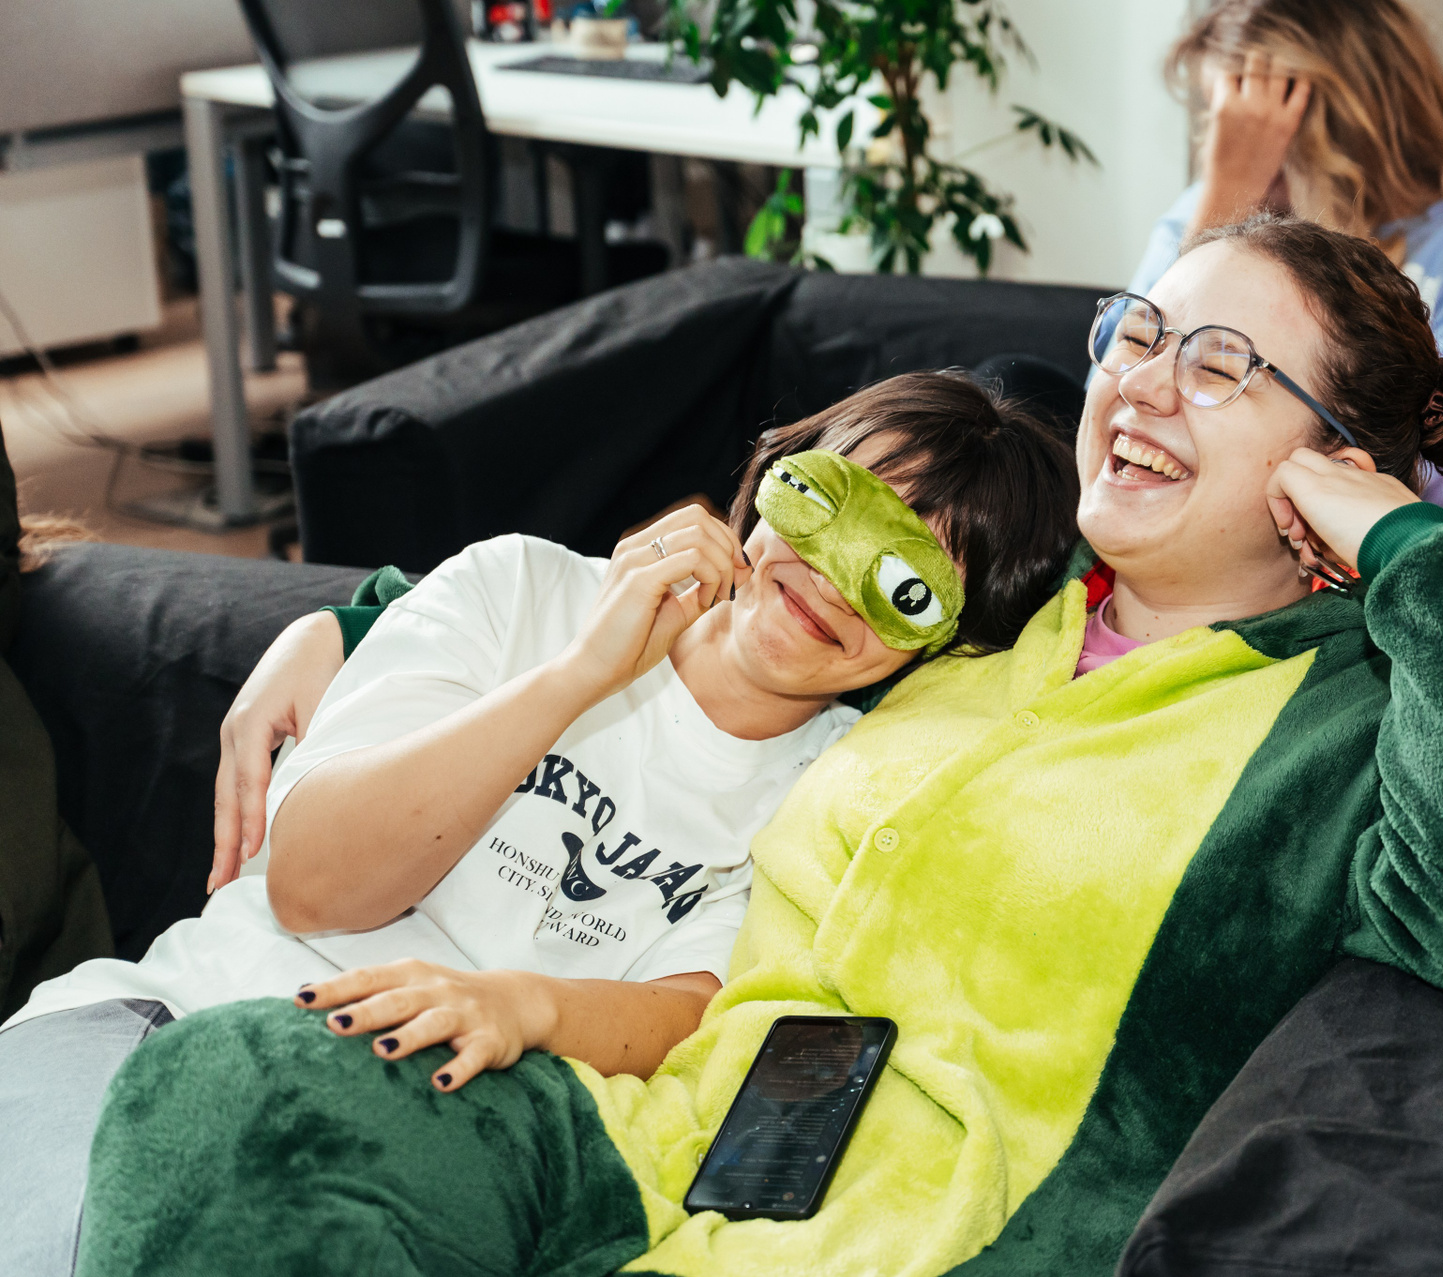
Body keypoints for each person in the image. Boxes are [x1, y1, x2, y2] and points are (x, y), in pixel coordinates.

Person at [74, 214, 1443, 1277]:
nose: (1143, 383)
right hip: (643, 1142)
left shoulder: (1357, 715)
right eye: (1141, 332)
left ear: (1336, 464)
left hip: (901, 1241)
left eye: (1220, 367)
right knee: (236, 1087)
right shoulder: (1000, 619)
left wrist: (1418, 556)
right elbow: (765, 589)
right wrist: (340, 623)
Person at [0, 370, 1079, 1277]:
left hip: (404, 1132)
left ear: (949, 645)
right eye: (834, 504)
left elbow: (693, 1012)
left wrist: (523, 1004)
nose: (833, 581)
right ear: (775, 476)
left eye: (904, 581)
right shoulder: (521, 587)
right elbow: (315, 886)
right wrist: (578, 675)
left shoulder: (840, 790)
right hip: (170, 1019)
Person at [1125, 0, 1443, 532]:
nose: (1226, 147)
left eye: (1249, 127)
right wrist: (1227, 193)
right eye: (1222, 126)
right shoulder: (1213, 202)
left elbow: (1428, 473)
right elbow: (1110, 401)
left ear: (1337, 120)